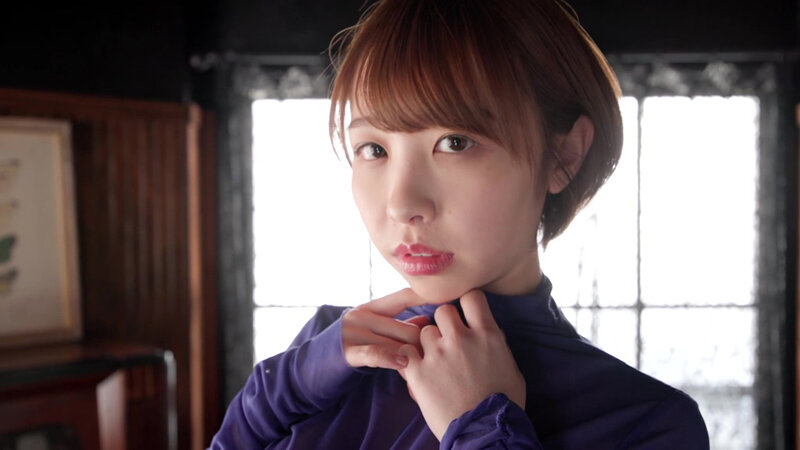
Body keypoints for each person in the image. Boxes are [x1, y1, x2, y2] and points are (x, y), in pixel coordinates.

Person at [210, 0, 710, 448]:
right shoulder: (323, 353)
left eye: (455, 142)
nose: (401, 204)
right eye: (374, 149)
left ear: (564, 155)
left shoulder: (648, 423)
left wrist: (484, 429)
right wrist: (279, 390)